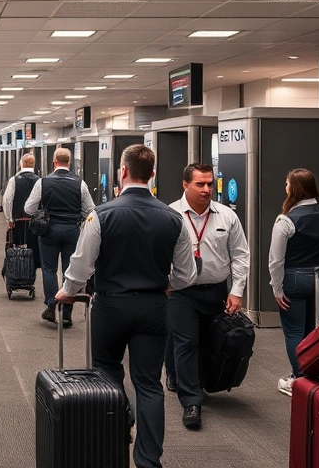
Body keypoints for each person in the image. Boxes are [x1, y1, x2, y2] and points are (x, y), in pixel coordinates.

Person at [56, 144, 197, 468]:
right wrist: (165, 286)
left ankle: (112, 444)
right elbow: (187, 276)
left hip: (110, 308)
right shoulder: (174, 219)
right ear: (153, 174)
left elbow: (81, 266)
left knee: (106, 374)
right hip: (153, 309)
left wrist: (67, 292)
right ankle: (148, 461)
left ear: (123, 172)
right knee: (149, 384)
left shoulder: (101, 215)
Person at [164, 163, 250, 430]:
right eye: (200, 184)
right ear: (185, 185)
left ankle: (181, 374)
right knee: (186, 341)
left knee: (208, 341)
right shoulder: (170, 215)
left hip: (216, 291)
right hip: (181, 292)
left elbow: (240, 255)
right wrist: (163, 282)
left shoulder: (226, 216)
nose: (206, 189)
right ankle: (192, 401)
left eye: (210, 184)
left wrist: (237, 291)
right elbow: (159, 252)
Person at [268, 168, 319, 396]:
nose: (285, 188)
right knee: (315, 330)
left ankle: (300, 380)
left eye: (287, 184)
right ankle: (316, 375)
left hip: (294, 279)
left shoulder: (286, 220)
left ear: (294, 189)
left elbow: (276, 260)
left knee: (294, 332)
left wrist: (277, 287)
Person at [25, 147, 95, 328]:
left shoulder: (43, 182)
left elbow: (29, 208)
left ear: (54, 161)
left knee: (49, 269)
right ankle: (66, 313)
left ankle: (51, 305)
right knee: (68, 270)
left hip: (49, 230)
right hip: (72, 230)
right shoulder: (80, 183)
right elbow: (90, 211)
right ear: (69, 162)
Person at [2, 153, 41, 272]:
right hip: (35, 222)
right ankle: (30, 273)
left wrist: (9, 219)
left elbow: (7, 200)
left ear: (21, 164)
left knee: (17, 247)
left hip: (18, 221)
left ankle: (18, 271)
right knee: (33, 249)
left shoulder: (14, 180)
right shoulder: (40, 181)